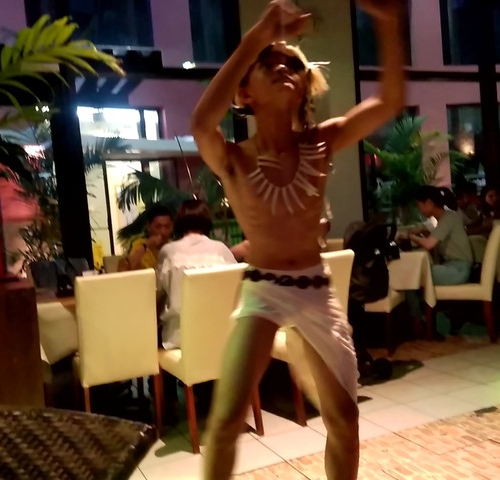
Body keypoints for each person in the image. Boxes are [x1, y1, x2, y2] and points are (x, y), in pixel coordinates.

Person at [190, 1, 405, 478]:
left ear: (305, 87)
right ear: (245, 92)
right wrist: (257, 37)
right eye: (269, 63)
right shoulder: (234, 159)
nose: (283, 67)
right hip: (262, 290)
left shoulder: (320, 142)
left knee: (344, 420)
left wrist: (388, 24)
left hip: (316, 290)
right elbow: (201, 123)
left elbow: (389, 102)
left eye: (292, 64)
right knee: (224, 422)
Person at [157, 199, 237, 350]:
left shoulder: (169, 251)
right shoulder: (221, 250)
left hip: (179, 340)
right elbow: (237, 290)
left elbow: (158, 295)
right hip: (220, 337)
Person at [408, 186, 473, 285]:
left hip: (459, 270)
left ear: (429, 203)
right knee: (416, 271)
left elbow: (429, 244)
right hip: (452, 267)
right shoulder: (445, 218)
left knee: (415, 272)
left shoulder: (449, 217)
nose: (419, 209)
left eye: (419, 205)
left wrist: (409, 236)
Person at [118, 204, 173, 271]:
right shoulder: (138, 244)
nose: (163, 231)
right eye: (158, 227)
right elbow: (124, 269)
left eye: (167, 227)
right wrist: (146, 246)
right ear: (148, 227)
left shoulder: (174, 247)